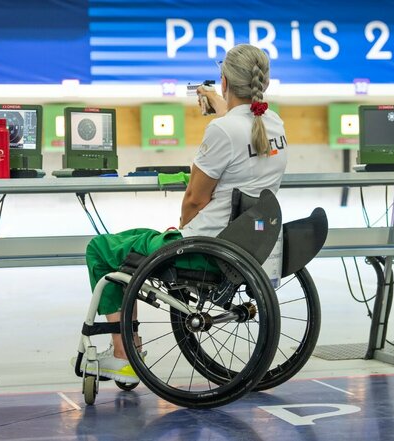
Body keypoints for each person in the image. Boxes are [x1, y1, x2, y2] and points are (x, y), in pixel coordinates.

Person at [82, 44, 288, 383]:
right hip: (252, 248)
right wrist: (221, 105)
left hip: (205, 253)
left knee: (102, 249)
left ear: (224, 82)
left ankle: (123, 356)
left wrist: (179, 236)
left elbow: (194, 199)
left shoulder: (222, 130)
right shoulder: (275, 124)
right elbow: (242, 127)